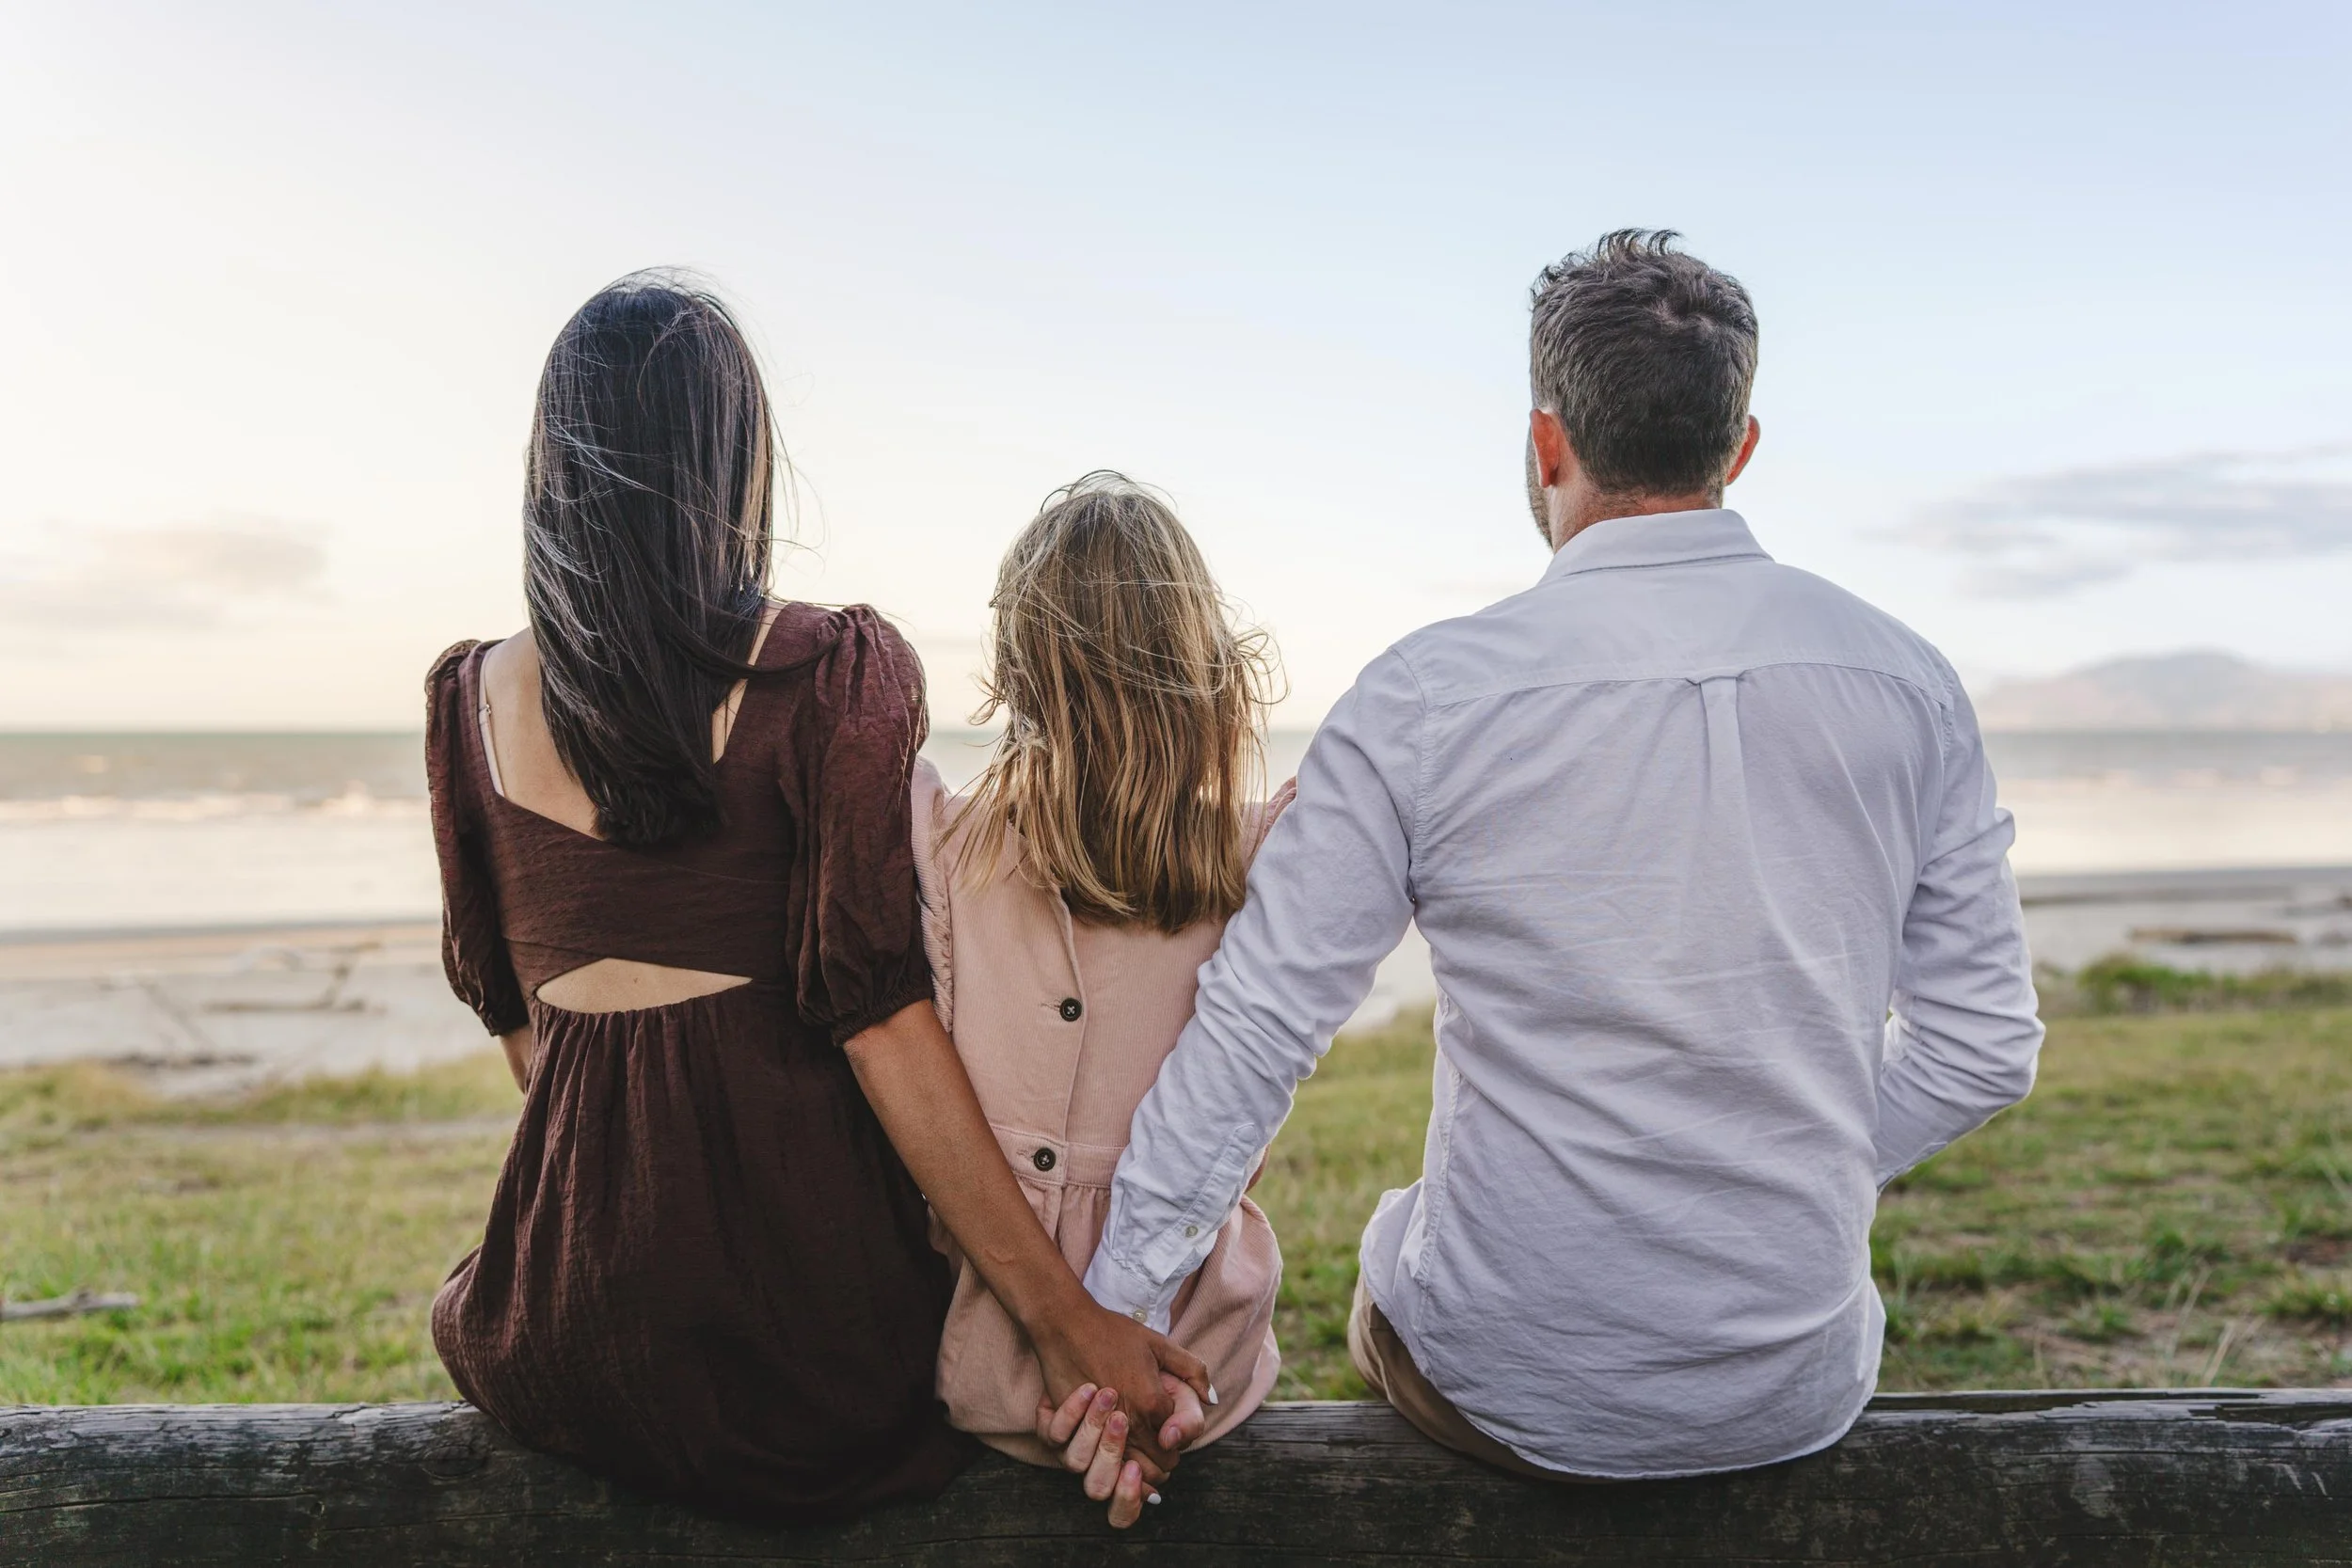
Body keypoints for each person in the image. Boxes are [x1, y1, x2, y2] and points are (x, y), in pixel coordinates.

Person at [1082, 230, 2044, 1480]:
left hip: (1512, 1391)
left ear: (1547, 444)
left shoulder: (1426, 696)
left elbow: (1261, 1029)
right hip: (1797, 1382)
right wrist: (1779, 1160)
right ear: (1739, 449)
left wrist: (1110, 1307)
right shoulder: (1906, 683)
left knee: (1395, 1259)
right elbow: (1986, 1045)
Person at [424, 272, 1202, 1521]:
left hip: (562, 1326)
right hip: (806, 1355)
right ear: (734, 463)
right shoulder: (834, 672)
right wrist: (1064, 1323)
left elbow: (529, 1038)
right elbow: (880, 1018)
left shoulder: (465, 702)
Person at [909, 475, 1286, 1526]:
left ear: (1019, 680)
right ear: (1203, 677)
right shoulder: (1258, 860)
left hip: (993, 1358)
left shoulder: (942, 849)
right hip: (1194, 1368)